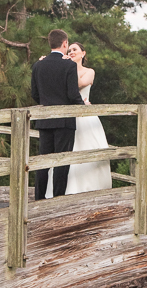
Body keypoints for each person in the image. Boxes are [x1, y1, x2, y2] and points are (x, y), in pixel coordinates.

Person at [45, 41, 112, 196]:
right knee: (66, 151)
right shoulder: (65, 70)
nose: (71, 52)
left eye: (75, 49)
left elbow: (80, 84)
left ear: (83, 53)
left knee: (89, 148)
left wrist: (69, 68)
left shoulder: (89, 71)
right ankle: (66, 190)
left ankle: (92, 188)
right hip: (68, 117)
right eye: (69, 50)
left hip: (86, 117)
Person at [30, 29, 85, 200]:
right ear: (64, 44)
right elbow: (73, 95)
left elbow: (35, 94)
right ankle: (57, 199)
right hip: (64, 120)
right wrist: (83, 107)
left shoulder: (38, 65)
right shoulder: (69, 65)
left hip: (45, 119)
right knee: (62, 162)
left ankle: (39, 198)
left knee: (43, 162)